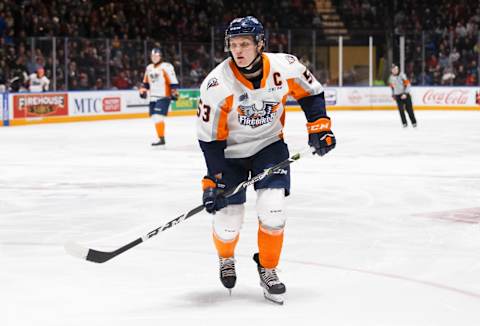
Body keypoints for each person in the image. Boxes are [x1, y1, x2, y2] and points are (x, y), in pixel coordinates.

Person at [196, 16, 336, 304]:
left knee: (273, 210)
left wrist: (320, 128)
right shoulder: (216, 85)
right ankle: (226, 258)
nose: (238, 50)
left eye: (245, 43)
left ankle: (268, 268)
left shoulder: (285, 66)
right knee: (228, 222)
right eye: (233, 45)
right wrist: (213, 180)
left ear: (260, 43)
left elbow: (311, 94)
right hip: (230, 155)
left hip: (269, 147)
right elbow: (210, 140)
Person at [139, 48, 179, 146]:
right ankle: (161, 138)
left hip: (163, 96)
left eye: (156, 56)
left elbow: (173, 81)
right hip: (153, 97)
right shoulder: (149, 68)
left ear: (160, 56)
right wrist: (143, 90)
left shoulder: (166, 66)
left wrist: (174, 92)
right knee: (154, 117)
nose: (154, 58)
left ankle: (161, 139)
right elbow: (145, 83)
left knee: (157, 116)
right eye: (152, 56)